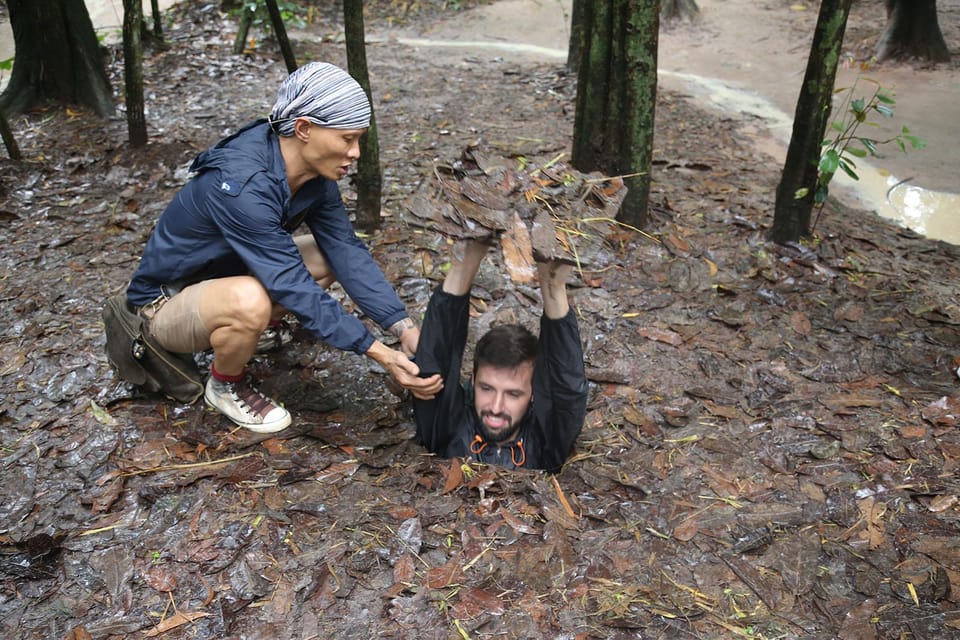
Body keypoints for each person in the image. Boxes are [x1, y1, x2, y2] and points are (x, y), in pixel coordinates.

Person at [124, 62, 442, 433]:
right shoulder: (244, 186)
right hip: (162, 307)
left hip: (225, 277)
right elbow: (292, 284)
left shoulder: (311, 172)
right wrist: (380, 353)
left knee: (324, 256)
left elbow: (345, 249)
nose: (355, 153)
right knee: (249, 301)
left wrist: (401, 326)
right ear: (304, 128)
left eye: (358, 140)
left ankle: (255, 334)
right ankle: (225, 384)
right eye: (346, 139)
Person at [413, 239, 588, 473]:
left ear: (534, 393)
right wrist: (463, 264)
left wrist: (554, 288)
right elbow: (432, 364)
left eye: (513, 394)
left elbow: (567, 390)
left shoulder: (547, 440)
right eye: (486, 388)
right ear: (473, 381)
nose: (495, 408)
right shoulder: (449, 425)